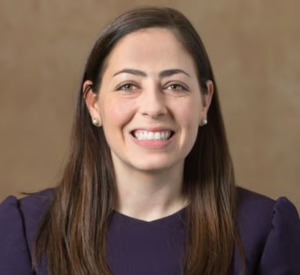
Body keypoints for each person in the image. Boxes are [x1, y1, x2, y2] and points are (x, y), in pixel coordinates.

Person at [0, 6, 299, 275]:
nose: (154, 107)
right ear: (93, 104)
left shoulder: (267, 230)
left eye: (174, 85)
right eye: (128, 85)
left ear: (205, 101)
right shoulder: (25, 230)